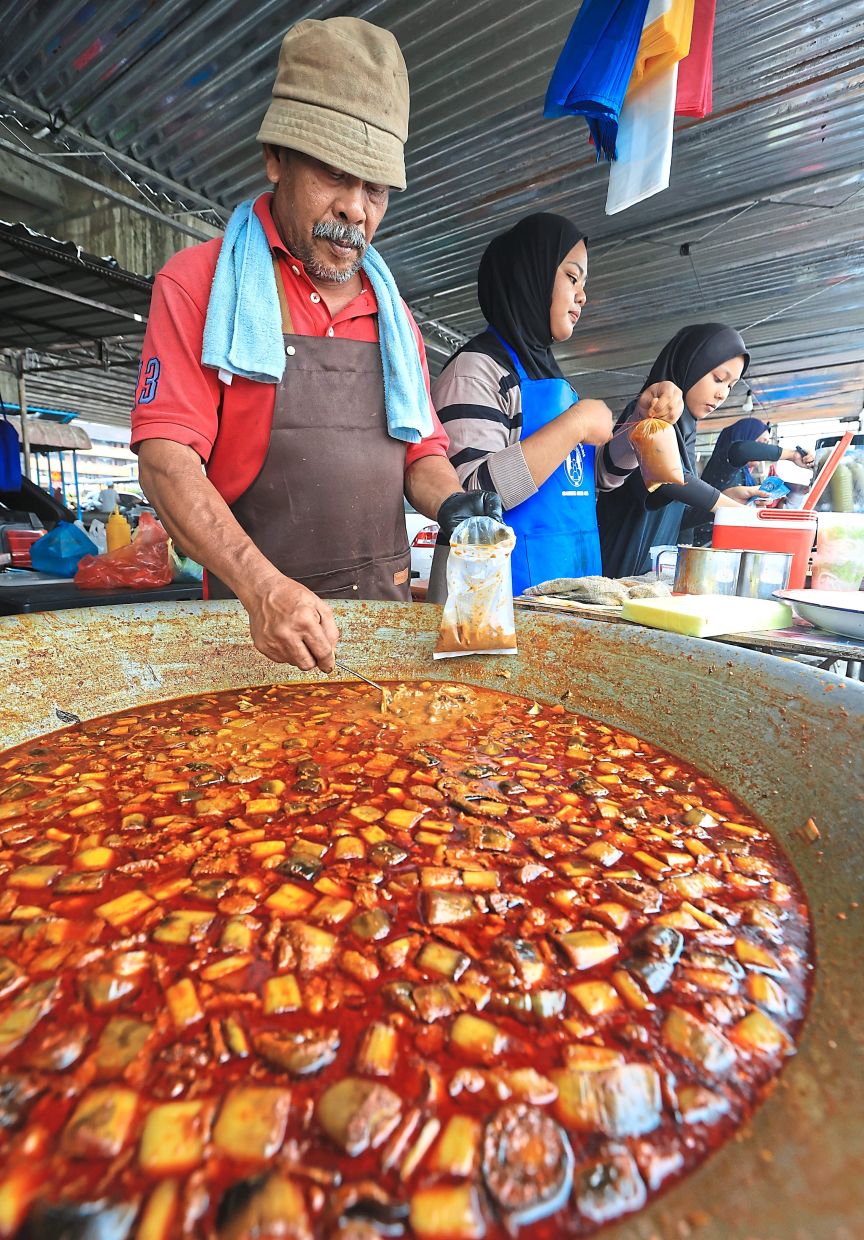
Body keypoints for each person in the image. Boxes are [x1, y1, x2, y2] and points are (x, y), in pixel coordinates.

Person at [130, 17, 499, 672]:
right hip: (251, 636)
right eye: (334, 174)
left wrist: (459, 504)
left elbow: (421, 454)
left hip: (381, 636)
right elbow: (166, 462)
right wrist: (263, 587)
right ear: (275, 157)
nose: (357, 209)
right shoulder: (200, 288)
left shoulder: (394, 317)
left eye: (376, 189)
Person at [429, 213, 682, 596]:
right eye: (572, 277)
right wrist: (576, 424)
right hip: (499, 601)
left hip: (570, 585)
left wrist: (638, 424)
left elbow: (595, 477)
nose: (582, 295)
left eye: (584, 284)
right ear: (532, 274)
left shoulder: (555, 381)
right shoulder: (475, 370)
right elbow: (470, 499)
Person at [597, 323, 763, 578]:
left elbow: (677, 515)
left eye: (731, 386)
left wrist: (727, 496)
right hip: (616, 571)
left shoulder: (686, 431)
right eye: (718, 378)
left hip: (645, 577)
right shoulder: (649, 413)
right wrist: (731, 509)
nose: (722, 394)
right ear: (691, 364)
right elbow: (666, 478)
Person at [689, 418, 815, 544]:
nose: (763, 449)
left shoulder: (746, 477)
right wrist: (792, 455)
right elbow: (741, 450)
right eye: (761, 443)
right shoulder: (723, 464)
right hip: (706, 543)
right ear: (744, 437)